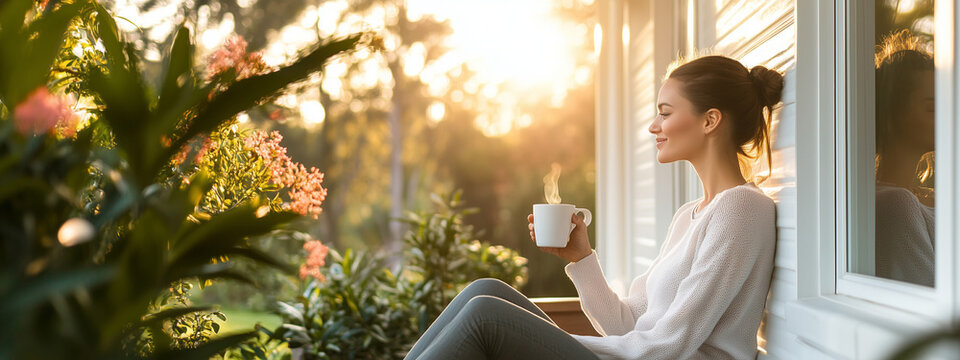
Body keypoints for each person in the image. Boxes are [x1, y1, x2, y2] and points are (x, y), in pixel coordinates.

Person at [403, 55, 782, 360]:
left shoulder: (742, 210)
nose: (653, 126)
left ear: (710, 120)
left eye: (665, 113)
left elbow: (666, 348)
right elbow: (628, 325)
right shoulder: (690, 215)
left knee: (486, 316)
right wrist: (582, 259)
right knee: (484, 291)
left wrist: (555, 340)